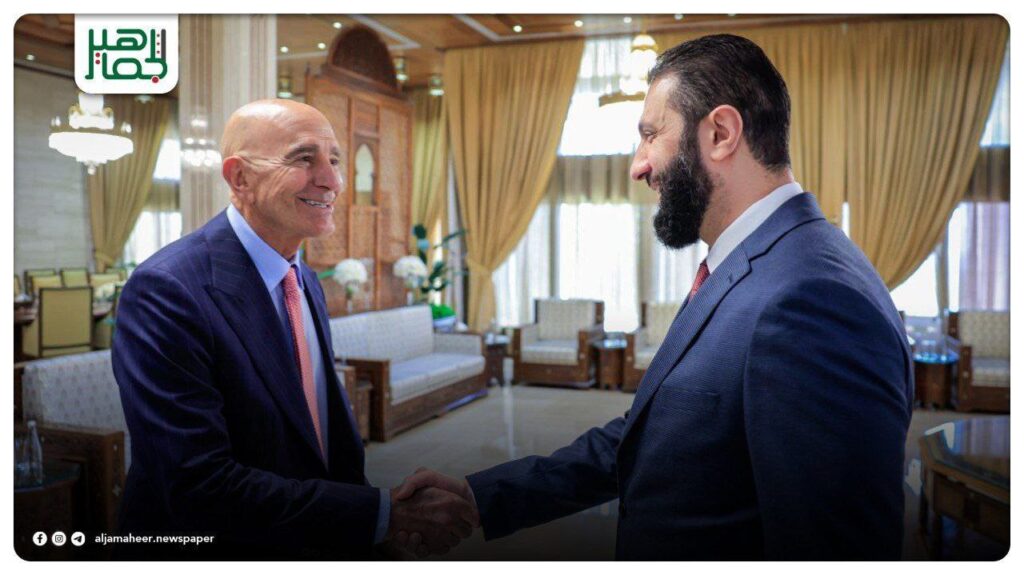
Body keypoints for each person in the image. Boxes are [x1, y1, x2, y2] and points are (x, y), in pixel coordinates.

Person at [396, 34, 914, 560]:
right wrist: (483, 498)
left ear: (721, 133)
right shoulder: (744, 265)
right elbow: (656, 435)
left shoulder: (814, 301)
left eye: (650, 135)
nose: (637, 166)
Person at [112, 99, 476, 559]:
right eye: (304, 158)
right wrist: (381, 516)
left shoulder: (302, 279)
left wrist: (366, 533)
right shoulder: (166, 290)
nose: (332, 181)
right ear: (239, 178)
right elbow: (197, 484)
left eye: (334, 160)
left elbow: (319, 438)